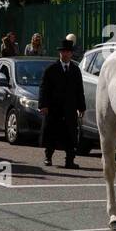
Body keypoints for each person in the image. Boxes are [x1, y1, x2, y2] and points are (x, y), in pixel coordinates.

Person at [39, 39, 85, 168]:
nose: (65, 54)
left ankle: (69, 160)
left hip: (69, 108)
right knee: (51, 133)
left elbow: (79, 90)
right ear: (59, 53)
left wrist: (81, 107)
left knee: (70, 134)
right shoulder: (51, 69)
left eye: (68, 52)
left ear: (71, 54)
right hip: (54, 108)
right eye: (63, 52)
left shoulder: (75, 70)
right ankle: (48, 157)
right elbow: (44, 88)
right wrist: (43, 105)